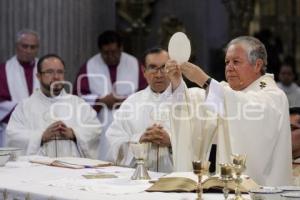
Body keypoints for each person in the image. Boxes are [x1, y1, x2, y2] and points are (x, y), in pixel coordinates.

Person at [166, 36, 292, 186]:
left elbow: (243, 107)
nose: (229, 67)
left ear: (257, 65)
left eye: (236, 62)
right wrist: (177, 83)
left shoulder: (273, 96)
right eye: (227, 62)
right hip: (215, 185)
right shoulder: (225, 93)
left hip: (259, 191)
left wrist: (203, 80)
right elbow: (193, 104)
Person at [105, 48, 215, 172]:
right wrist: (139, 140)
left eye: (164, 67)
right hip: (139, 181)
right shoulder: (131, 103)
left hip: (176, 180)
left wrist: (172, 142)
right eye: (152, 67)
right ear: (144, 71)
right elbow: (113, 142)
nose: (159, 74)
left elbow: (203, 139)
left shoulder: (191, 100)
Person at [6, 54, 101, 158]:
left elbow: (94, 129)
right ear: (38, 76)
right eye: (50, 72)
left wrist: (74, 134)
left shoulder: (78, 104)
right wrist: (41, 136)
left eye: (60, 72)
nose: (56, 77)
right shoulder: (25, 107)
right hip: (38, 171)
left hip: (72, 170)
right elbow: (13, 135)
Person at [73, 30, 145, 160]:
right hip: (101, 122)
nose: (111, 56)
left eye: (114, 52)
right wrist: (100, 100)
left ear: (121, 48)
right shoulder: (89, 66)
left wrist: (125, 101)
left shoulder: (134, 64)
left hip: (129, 121)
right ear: (100, 51)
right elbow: (77, 96)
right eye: (106, 53)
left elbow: (146, 92)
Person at [0, 29, 40, 147]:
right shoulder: (3, 71)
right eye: (25, 46)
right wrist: (25, 107)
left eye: (33, 47)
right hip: (13, 129)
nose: (28, 51)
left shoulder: (45, 69)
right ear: (17, 47)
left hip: (39, 129)